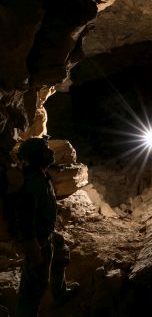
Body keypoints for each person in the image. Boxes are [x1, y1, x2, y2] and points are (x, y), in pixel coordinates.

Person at [12, 136, 78, 317]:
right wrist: (34, 252)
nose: (50, 152)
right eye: (45, 150)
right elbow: (24, 221)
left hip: (46, 235)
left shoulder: (42, 175)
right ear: (36, 156)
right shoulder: (32, 183)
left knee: (60, 249)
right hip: (37, 241)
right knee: (34, 286)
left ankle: (60, 293)